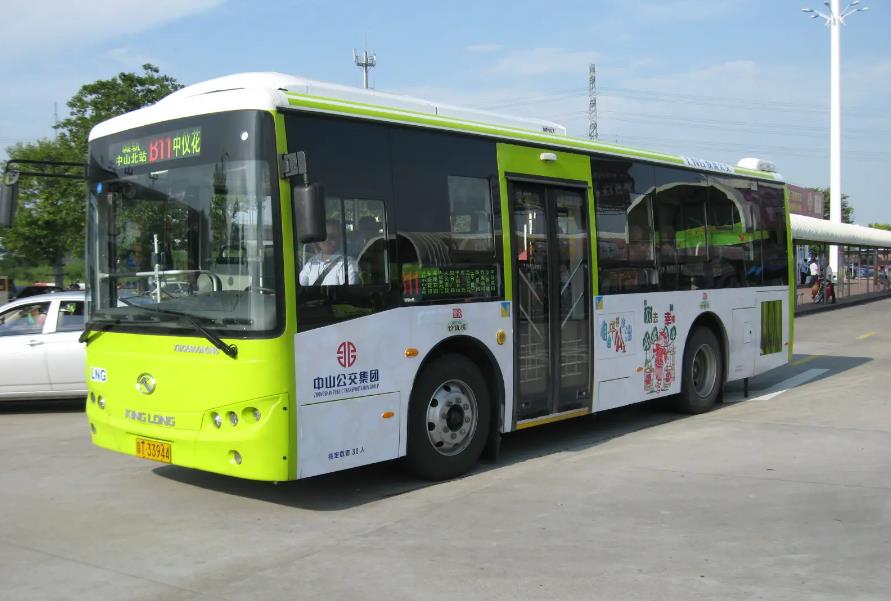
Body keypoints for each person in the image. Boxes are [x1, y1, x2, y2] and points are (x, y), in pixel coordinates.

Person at [299, 219, 360, 286]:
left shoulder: (348, 263)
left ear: (340, 238)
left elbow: (349, 290)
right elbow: (302, 285)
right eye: (323, 236)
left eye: (332, 237)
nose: (327, 240)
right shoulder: (312, 262)